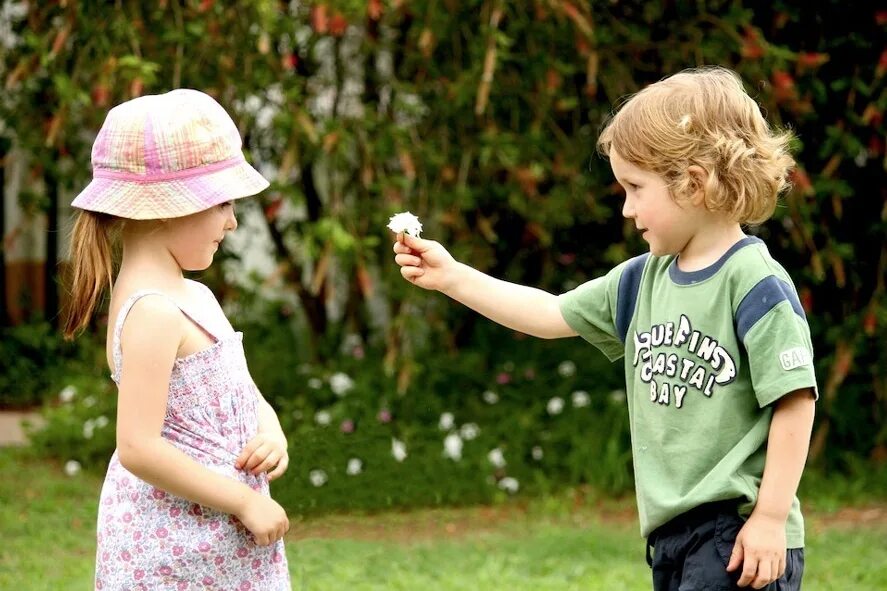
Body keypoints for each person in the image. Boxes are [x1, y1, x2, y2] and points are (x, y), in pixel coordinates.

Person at [393, 67, 817, 590]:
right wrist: (452, 276)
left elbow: (795, 399)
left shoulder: (753, 281)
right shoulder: (641, 282)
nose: (626, 208)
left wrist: (771, 519)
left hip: (737, 532)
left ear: (692, 180)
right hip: (671, 536)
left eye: (636, 188)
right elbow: (548, 314)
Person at [64, 89, 291, 590]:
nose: (232, 221)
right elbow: (138, 448)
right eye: (223, 203)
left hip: (217, 534)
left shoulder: (195, 296)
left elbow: (243, 392)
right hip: (175, 545)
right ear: (169, 207)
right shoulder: (152, 311)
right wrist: (245, 500)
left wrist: (271, 431)